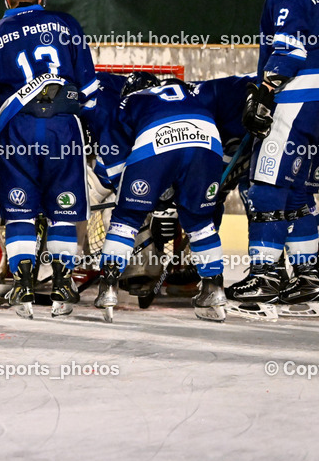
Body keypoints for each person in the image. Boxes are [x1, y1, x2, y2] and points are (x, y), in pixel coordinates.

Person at [229, 0, 319, 319]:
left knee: (264, 187)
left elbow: (289, 51)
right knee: (298, 195)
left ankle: (265, 282)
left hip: (295, 97)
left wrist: (265, 90)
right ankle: (309, 287)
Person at [0, 0, 98, 318]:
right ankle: (62, 283)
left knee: (19, 212)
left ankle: (24, 288)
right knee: (64, 209)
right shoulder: (67, 24)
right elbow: (90, 93)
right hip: (63, 126)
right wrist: (88, 129)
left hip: (18, 128)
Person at [93, 76, 228, 322]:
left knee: (126, 218)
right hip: (207, 140)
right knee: (201, 223)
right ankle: (214, 290)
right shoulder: (191, 94)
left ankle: (109, 288)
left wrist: (130, 195)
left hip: (157, 140)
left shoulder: (129, 100)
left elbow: (111, 163)